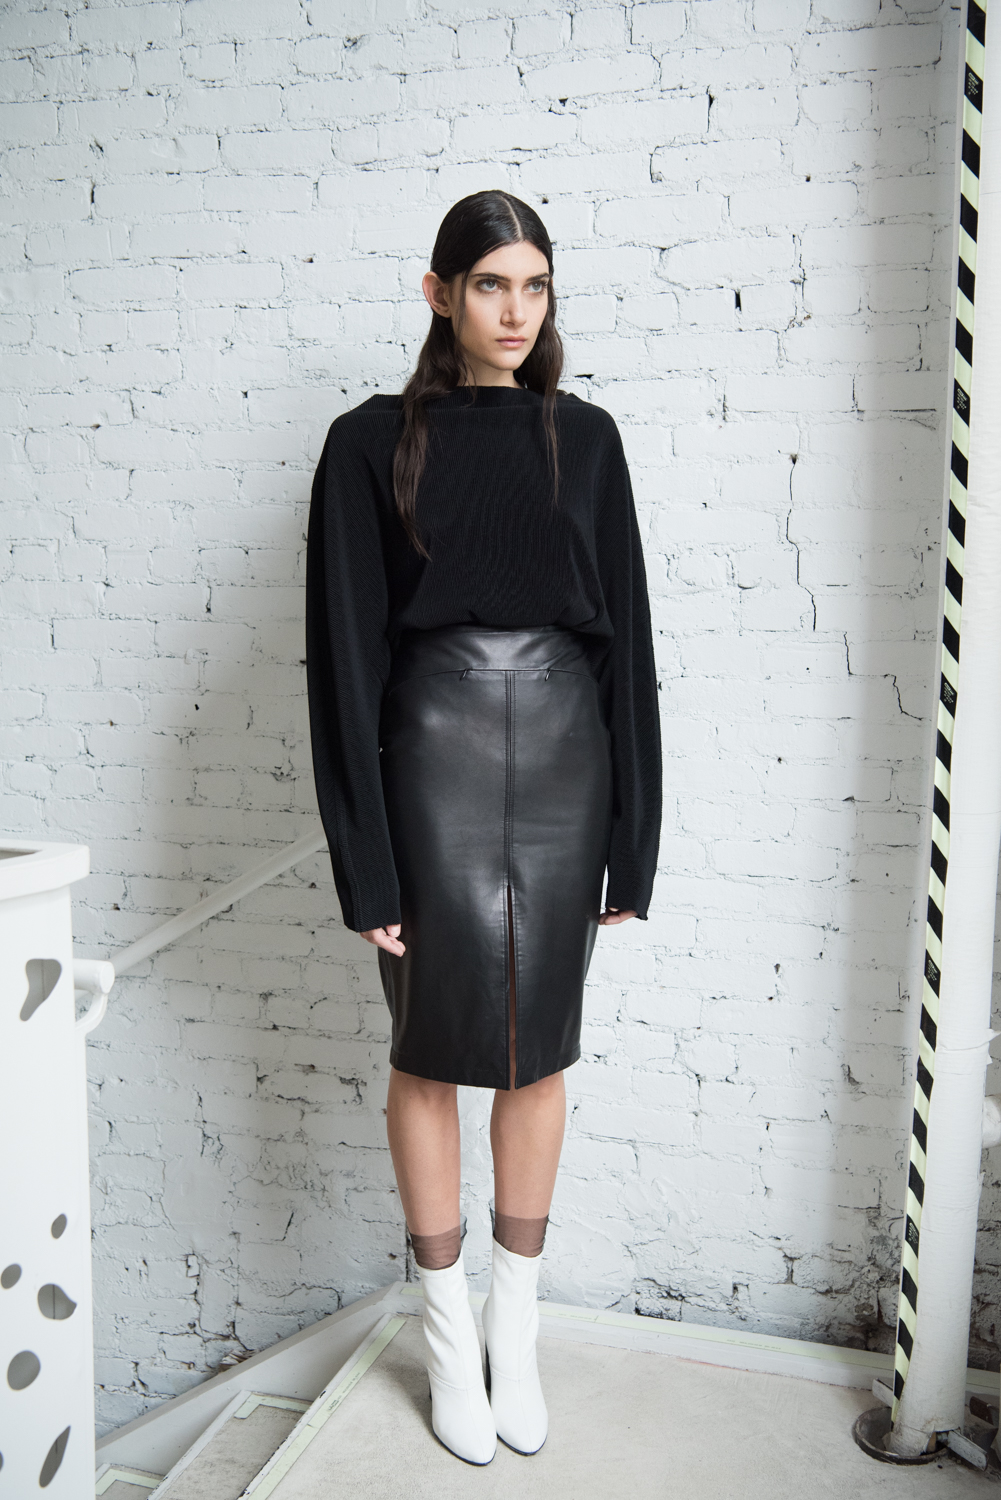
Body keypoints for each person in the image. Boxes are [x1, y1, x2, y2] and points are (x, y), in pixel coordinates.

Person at [306, 190, 661, 1465]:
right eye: (491, 284)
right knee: (428, 1049)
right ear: (439, 292)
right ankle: (446, 1331)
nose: (515, 310)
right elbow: (341, 657)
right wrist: (362, 860)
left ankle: (518, 1324)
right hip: (429, 760)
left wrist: (634, 833)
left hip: (566, 756)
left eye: (535, 286)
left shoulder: (588, 439)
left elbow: (626, 643)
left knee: (537, 1053)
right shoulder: (366, 444)